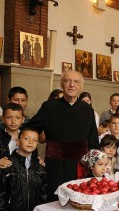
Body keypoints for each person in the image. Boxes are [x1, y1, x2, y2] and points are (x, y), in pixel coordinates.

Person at [26, 71, 99, 201]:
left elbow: (93, 139)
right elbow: (31, 130)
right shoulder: (49, 106)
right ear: (61, 84)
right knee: (56, 199)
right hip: (55, 165)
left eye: (76, 82)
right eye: (67, 81)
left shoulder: (87, 109)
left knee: (80, 199)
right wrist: (34, 155)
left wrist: (95, 164)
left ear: (81, 87)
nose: (72, 85)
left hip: (80, 164)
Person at [0, 127, 48, 211]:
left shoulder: (40, 166)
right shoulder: (7, 164)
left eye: (35, 140)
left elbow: (44, 194)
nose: (31, 142)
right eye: (26, 138)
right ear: (18, 142)